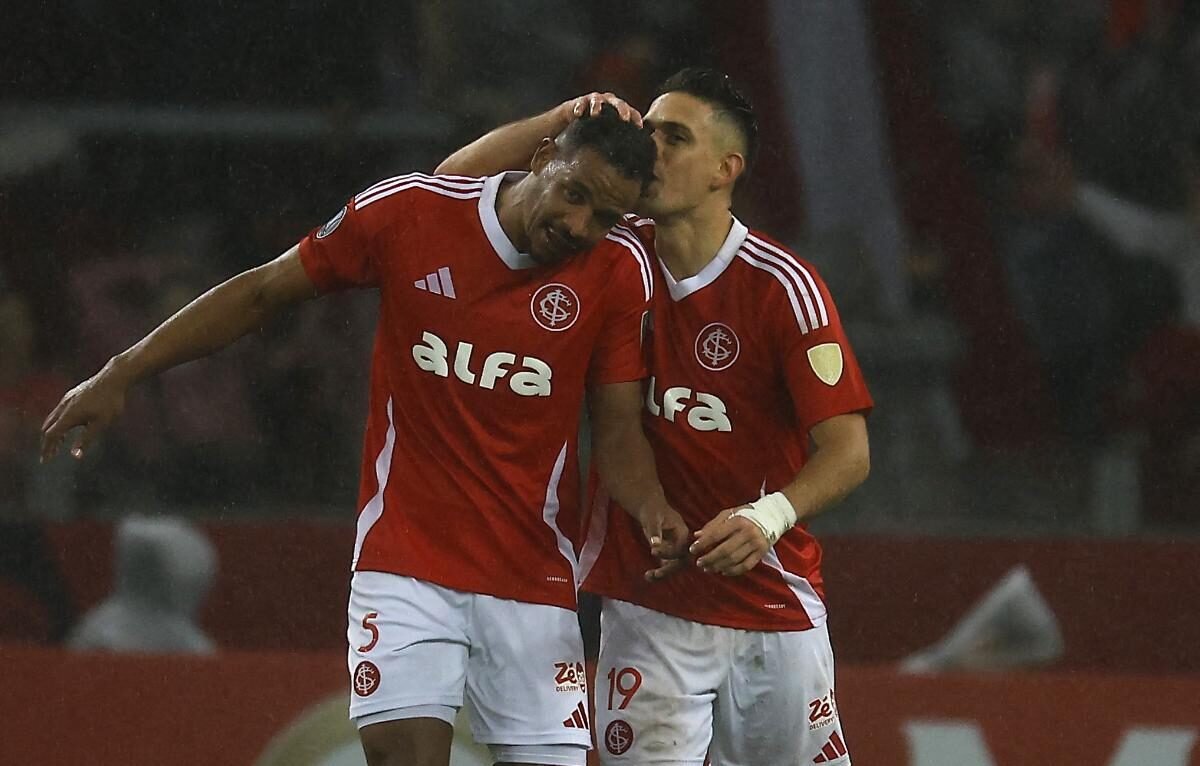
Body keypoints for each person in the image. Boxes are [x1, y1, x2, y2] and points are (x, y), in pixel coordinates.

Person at [41, 106, 688, 766]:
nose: (579, 225)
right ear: (544, 154)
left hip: (533, 582)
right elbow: (264, 291)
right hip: (407, 567)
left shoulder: (616, 271)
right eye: (574, 193)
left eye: (604, 216)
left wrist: (652, 507)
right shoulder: (413, 213)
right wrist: (123, 370)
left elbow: (617, 432)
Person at [439, 69, 872, 765]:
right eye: (648, 135)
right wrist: (557, 118)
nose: (653, 152)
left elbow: (848, 451)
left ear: (724, 170)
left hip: (771, 605)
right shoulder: (603, 252)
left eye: (675, 139)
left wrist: (766, 519)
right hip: (646, 602)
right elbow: (451, 191)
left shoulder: (781, 286)